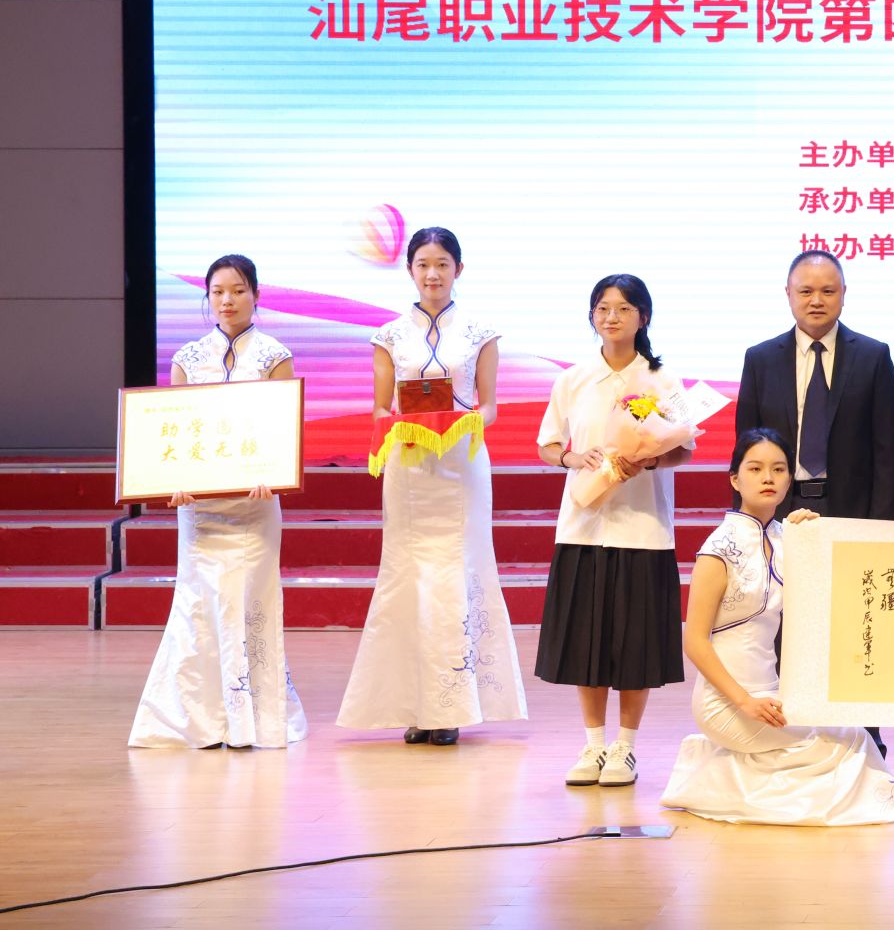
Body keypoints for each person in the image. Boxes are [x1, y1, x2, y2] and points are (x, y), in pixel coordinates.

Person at [660, 429, 894, 827]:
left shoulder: (787, 537)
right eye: (755, 469)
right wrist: (745, 701)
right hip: (726, 701)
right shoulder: (718, 548)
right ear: (734, 479)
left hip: (772, 694)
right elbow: (694, 642)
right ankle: (712, 772)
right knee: (846, 742)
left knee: (852, 735)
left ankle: (715, 771)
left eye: (778, 469)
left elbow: (825, 599)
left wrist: (813, 537)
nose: (768, 478)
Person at [337, 227, 527, 744]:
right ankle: (413, 705)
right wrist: (403, 427)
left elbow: (489, 406)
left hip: (462, 464)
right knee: (408, 578)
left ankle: (450, 706)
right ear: (410, 270)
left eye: (443, 263)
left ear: (458, 269)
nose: (433, 273)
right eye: (423, 264)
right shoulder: (389, 335)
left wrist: (461, 423)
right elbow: (381, 408)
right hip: (410, 467)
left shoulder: (481, 333)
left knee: (456, 576)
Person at [130, 254, 308, 749]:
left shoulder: (274, 355)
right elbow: (179, 429)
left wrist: (274, 474)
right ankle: (200, 718)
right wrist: (175, 481)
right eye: (218, 292)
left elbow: (281, 430)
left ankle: (253, 718)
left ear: (256, 295)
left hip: (255, 506)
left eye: (238, 290)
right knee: (198, 606)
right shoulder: (187, 358)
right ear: (207, 298)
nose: (227, 301)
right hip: (201, 509)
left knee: (250, 603)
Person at [735, 248, 894, 756]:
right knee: (785, 622)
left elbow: (887, 453)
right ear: (788, 295)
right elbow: (746, 448)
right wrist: (750, 523)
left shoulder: (873, 356)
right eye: (805, 291)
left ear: (844, 295)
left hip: (851, 509)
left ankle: (866, 733)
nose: (816, 300)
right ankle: (790, 725)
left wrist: (880, 527)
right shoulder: (761, 358)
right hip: (783, 512)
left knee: (858, 621)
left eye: (828, 291)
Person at [536, 275, 695, 788]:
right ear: (592, 316)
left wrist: (648, 460)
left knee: (634, 645)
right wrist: (572, 458)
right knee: (586, 641)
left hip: (642, 529)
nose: (612, 317)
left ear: (643, 317)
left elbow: (684, 448)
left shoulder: (662, 380)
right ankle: (593, 745)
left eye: (624, 308)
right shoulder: (573, 379)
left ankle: (625, 748)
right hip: (582, 526)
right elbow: (547, 444)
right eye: (603, 308)